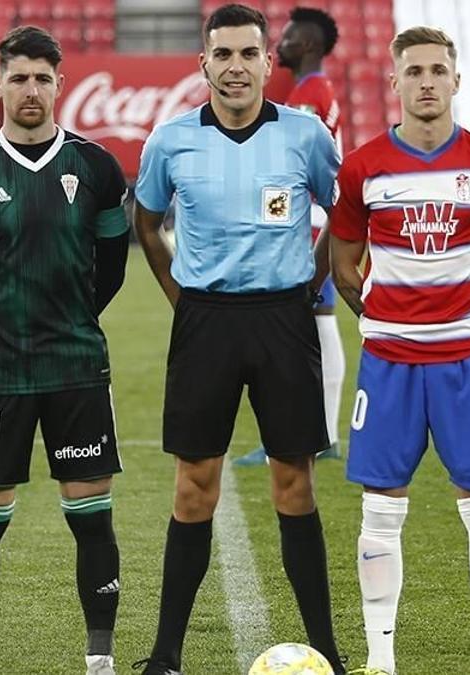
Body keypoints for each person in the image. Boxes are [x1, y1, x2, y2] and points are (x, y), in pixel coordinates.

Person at [130, 4, 345, 674]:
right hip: (206, 322)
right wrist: (181, 299)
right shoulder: (171, 141)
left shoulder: (305, 136)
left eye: (247, 54)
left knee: (294, 485)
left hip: (283, 319)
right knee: (194, 485)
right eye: (221, 54)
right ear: (204, 64)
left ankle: (327, 649)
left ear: (264, 61)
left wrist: (314, 280)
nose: (234, 67)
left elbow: (342, 209)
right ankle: (166, 651)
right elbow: (146, 219)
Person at [329, 26, 470, 675]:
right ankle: (380, 659)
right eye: (413, 71)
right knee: (381, 508)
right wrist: (382, 320)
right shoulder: (361, 168)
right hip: (388, 363)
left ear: (456, 79)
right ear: (395, 81)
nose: (426, 81)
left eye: (438, 70)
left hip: (466, 361)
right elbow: (344, 261)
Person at [0, 25, 130, 675]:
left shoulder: (96, 168)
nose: (30, 89)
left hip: (77, 366)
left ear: (59, 85)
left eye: (42, 77)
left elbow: (112, 267)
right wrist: (6, 325)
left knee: (91, 516)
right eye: (18, 77)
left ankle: (99, 657)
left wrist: (70, 319)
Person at [236, 4, 346, 467]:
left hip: (307, 230)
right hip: (314, 224)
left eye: (290, 35)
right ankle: (324, 432)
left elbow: (293, 166)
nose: (279, 41)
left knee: (308, 329)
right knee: (319, 326)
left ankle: (313, 433)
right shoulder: (315, 88)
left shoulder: (308, 96)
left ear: (310, 45)